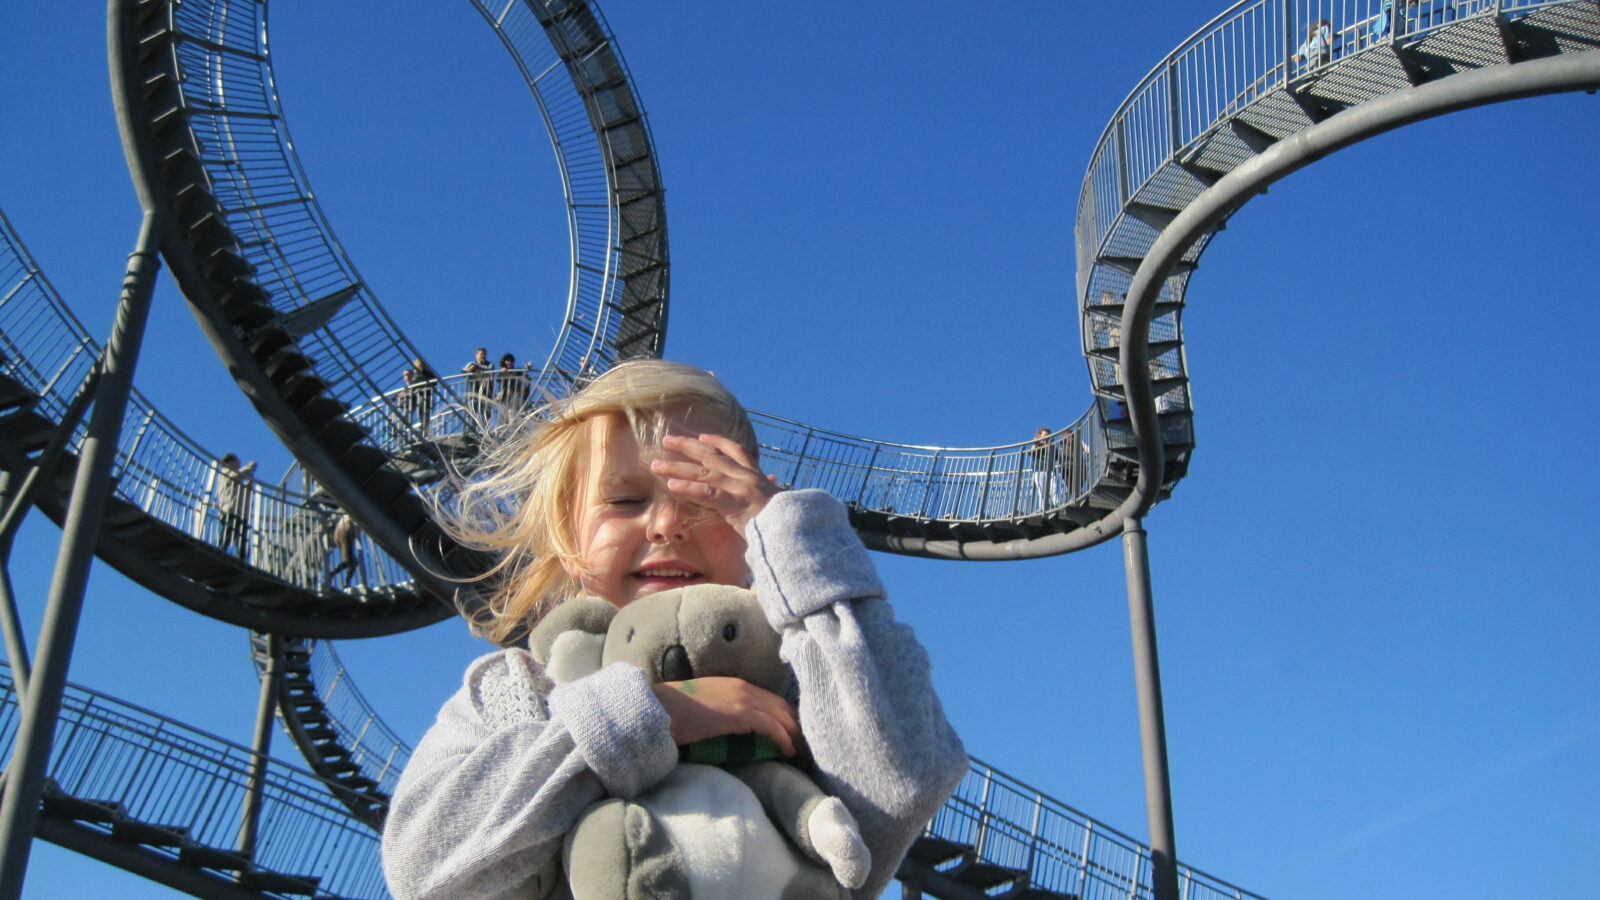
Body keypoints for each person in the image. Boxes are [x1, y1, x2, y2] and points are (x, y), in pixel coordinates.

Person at [381, 360, 966, 900]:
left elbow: (905, 780)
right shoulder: (519, 695)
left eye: (709, 500)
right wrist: (649, 716)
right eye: (625, 500)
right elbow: (422, 870)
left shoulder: (802, 682)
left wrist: (789, 532)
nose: (666, 525)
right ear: (568, 535)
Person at [216, 453, 257, 558]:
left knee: (241, 540)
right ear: (232, 462)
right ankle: (220, 553)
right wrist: (249, 467)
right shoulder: (226, 472)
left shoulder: (232, 477)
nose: (239, 465)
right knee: (228, 534)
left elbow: (242, 490)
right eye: (238, 462)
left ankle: (241, 560)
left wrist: (249, 484)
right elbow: (238, 475)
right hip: (231, 510)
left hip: (239, 513)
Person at [1028, 426, 1066, 511]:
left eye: (1048, 436)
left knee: (1053, 488)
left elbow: (1057, 457)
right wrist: (1036, 443)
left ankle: (1056, 504)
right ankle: (1043, 507)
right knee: (1042, 490)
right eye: (1044, 436)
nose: (1046, 438)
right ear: (1040, 436)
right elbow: (1031, 452)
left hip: (1050, 470)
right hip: (1039, 470)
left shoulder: (1052, 447)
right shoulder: (1037, 446)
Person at [326, 509, 361, 590]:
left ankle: (336, 576)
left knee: (352, 561)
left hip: (338, 533)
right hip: (345, 530)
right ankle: (334, 576)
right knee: (351, 561)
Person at [463, 347, 495, 429]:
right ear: (476, 355)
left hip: (487, 393)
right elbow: (464, 372)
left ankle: (487, 430)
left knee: (486, 413)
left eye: (484, 354)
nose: (483, 356)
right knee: (473, 410)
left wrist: (477, 367)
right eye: (481, 354)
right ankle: (472, 429)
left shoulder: (489, 364)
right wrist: (473, 368)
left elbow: (490, 370)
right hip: (474, 392)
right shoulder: (471, 364)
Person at [495, 352, 530, 418]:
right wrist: (504, 372)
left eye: (511, 361)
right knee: (503, 416)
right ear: (504, 362)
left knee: (513, 413)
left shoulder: (517, 370)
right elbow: (498, 379)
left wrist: (527, 366)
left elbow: (523, 372)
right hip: (505, 396)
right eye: (507, 361)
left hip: (515, 395)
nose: (509, 363)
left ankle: (513, 425)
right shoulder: (502, 372)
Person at [409, 357, 437, 436]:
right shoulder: (418, 375)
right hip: (420, 397)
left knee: (424, 416)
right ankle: (424, 433)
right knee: (422, 416)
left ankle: (425, 433)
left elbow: (433, 382)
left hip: (424, 396)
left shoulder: (424, 374)